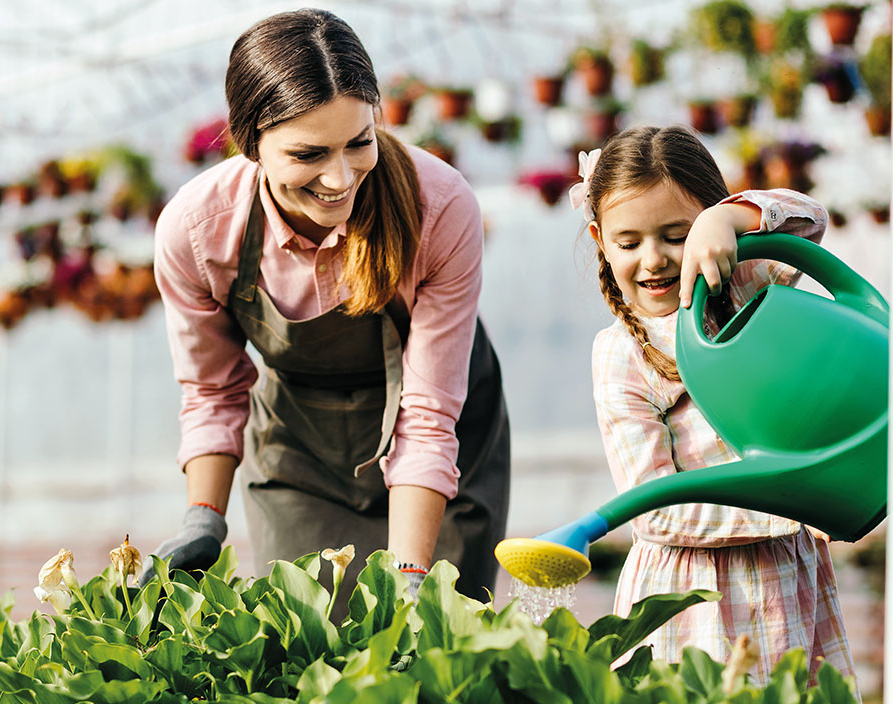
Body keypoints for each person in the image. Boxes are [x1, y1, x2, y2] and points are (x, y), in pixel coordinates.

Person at [144, 8, 510, 609]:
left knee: (433, 648)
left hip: (444, 446)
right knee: (312, 641)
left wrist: (413, 574)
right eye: (308, 154)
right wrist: (203, 519)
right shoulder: (197, 230)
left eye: (358, 142)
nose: (340, 178)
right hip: (300, 448)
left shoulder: (438, 207)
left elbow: (427, 414)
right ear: (250, 143)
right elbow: (214, 390)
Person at [576, 125, 856, 685]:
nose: (652, 259)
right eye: (628, 242)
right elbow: (654, 508)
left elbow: (809, 221)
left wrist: (730, 219)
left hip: (783, 577)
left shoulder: (748, 283)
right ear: (599, 239)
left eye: (676, 234)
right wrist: (788, 502)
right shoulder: (621, 355)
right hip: (691, 594)